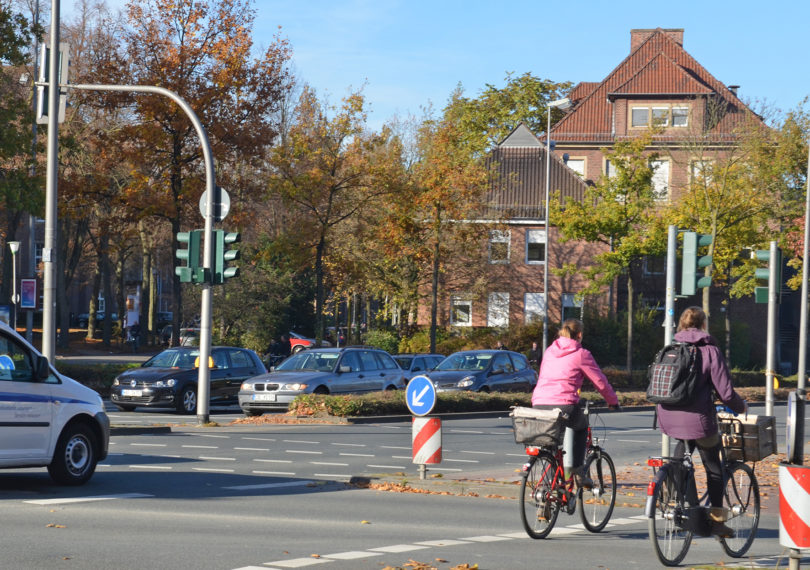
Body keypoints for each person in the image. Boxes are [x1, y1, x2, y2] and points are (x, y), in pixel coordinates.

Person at [656, 306, 746, 538]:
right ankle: (716, 522)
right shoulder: (710, 351)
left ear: (682, 326)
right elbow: (725, 393)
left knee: (679, 458)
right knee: (714, 467)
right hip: (699, 419)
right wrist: (741, 407)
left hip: (668, 415)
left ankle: (680, 502)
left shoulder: (670, 348)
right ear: (703, 325)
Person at [531, 318, 619, 489]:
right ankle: (578, 473)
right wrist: (613, 402)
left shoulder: (550, 351)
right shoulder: (581, 354)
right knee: (581, 427)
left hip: (539, 403)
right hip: (564, 404)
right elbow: (600, 382)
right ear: (579, 335)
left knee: (552, 444)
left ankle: (549, 489)